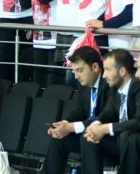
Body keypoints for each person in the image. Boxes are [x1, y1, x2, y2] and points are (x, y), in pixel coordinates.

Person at [80, 49, 140, 174]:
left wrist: (105, 129)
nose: (104, 75)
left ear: (122, 71)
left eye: (107, 70)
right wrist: (96, 125)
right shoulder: (114, 87)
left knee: (126, 135)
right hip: (121, 138)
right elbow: (108, 111)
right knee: (88, 137)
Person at [44, 46, 110, 174]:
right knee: (59, 137)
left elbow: (106, 117)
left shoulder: (109, 83)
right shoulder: (84, 84)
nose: (76, 76)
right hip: (87, 132)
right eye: (74, 71)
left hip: (106, 136)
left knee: (87, 138)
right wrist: (64, 123)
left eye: (80, 70)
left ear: (95, 67)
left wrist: (71, 127)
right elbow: (79, 111)